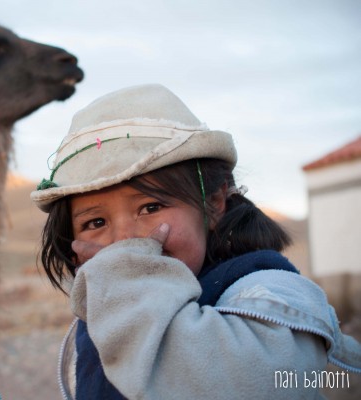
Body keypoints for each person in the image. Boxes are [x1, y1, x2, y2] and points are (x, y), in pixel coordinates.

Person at [30, 84, 361, 399]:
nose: (124, 240)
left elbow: (245, 384)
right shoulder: (104, 316)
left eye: (150, 207)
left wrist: (127, 280)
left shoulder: (270, 295)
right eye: (96, 222)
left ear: (213, 203)